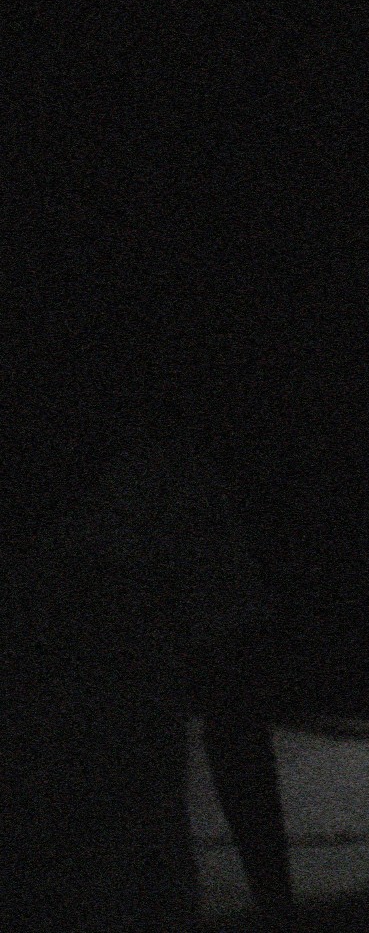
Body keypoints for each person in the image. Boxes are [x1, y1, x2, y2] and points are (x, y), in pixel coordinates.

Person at [3, 361, 291, 928]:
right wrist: (275, 898)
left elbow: (234, 713)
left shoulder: (163, 492)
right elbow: (235, 719)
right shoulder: (170, 490)